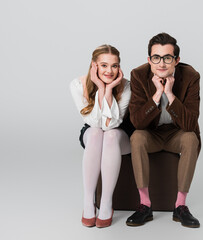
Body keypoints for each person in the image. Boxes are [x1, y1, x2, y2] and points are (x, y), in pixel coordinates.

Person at [126, 33, 201, 228]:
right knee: (137, 137)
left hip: (176, 133)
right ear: (149, 60)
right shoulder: (138, 75)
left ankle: (180, 206)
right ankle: (145, 205)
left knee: (191, 138)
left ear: (177, 60)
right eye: (156, 58)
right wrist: (157, 95)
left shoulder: (191, 76)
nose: (162, 64)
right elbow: (138, 122)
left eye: (167, 58)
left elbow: (190, 123)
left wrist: (169, 93)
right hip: (151, 133)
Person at [70, 44, 131, 228]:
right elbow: (95, 124)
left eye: (114, 65)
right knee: (96, 134)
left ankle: (106, 203)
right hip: (92, 133)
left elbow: (111, 125)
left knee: (110, 135)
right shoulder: (77, 85)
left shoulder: (126, 86)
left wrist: (110, 89)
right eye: (104, 65)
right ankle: (88, 202)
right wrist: (99, 87)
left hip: (121, 135)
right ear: (94, 65)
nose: (109, 71)